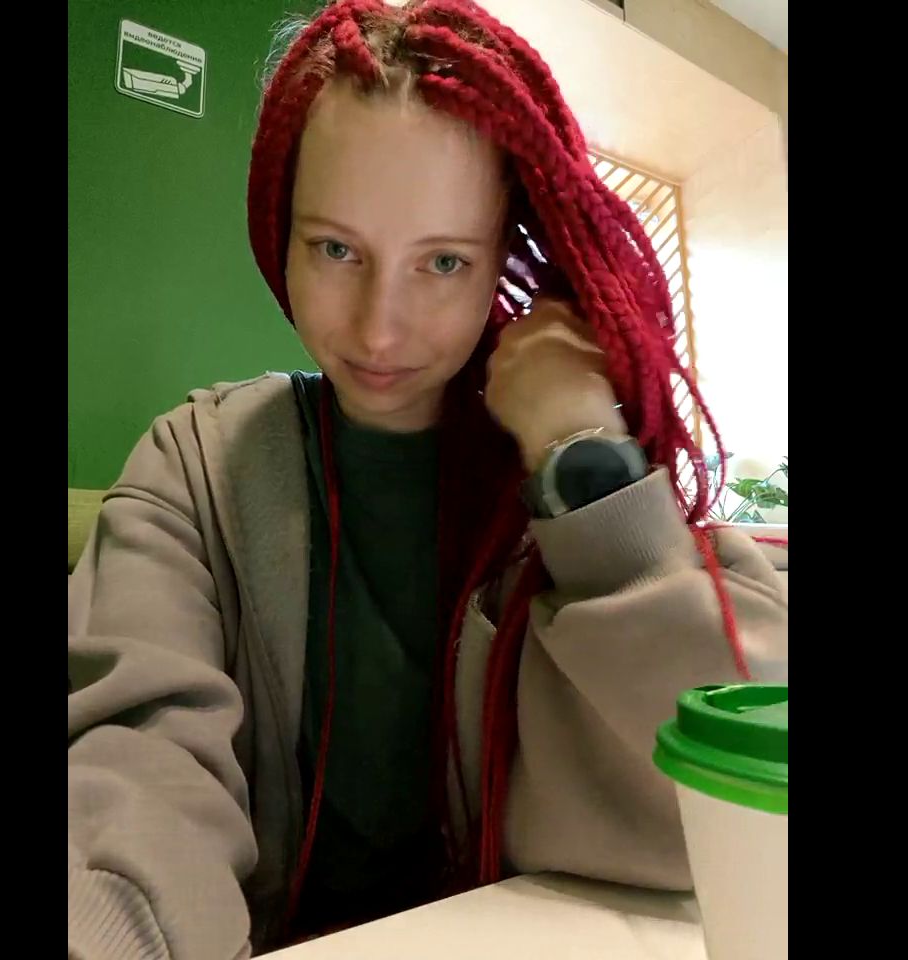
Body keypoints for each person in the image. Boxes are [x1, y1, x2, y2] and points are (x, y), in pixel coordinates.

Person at [67, 1, 788, 957]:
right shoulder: (194, 466)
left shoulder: (554, 485)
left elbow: (745, 792)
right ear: (280, 229)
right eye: (336, 250)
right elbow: (137, 775)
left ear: (502, 264)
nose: (379, 329)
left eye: (444, 262)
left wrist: (586, 469)